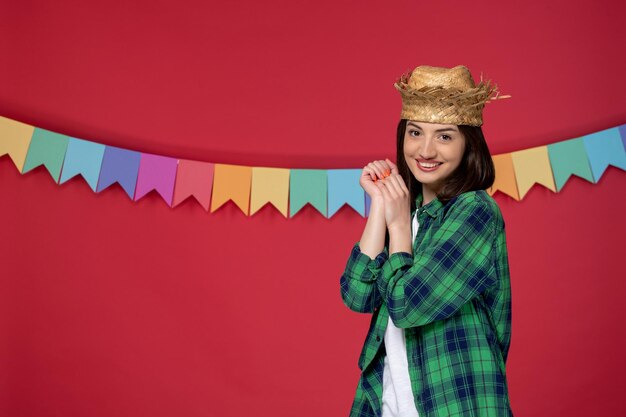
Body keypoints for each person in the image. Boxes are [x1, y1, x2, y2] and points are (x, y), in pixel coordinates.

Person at [339, 65, 514, 417]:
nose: (426, 150)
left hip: (455, 404)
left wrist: (400, 229)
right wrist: (381, 203)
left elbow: (406, 306)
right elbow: (358, 293)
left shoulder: (475, 212)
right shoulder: (411, 211)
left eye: (445, 136)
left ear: (468, 145)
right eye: (415, 133)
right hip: (388, 405)